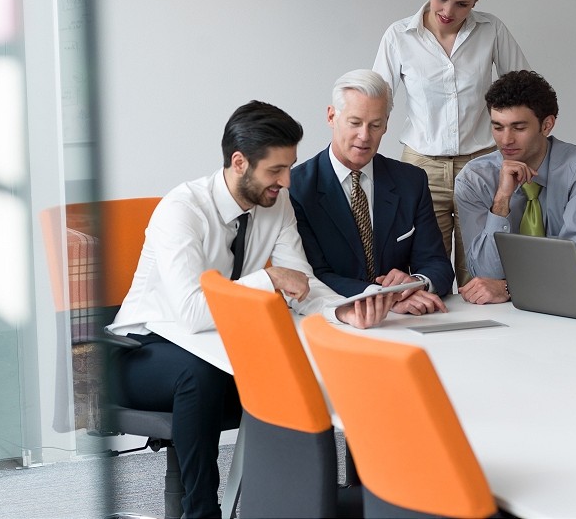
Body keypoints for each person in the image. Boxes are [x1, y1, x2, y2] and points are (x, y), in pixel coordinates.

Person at [107, 101, 397, 518]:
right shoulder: (182, 211)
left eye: (290, 167)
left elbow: (302, 283)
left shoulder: (275, 205)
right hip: (141, 349)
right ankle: (201, 510)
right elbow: (191, 312)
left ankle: (290, 505)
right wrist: (270, 279)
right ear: (239, 162)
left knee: (292, 367)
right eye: (275, 170)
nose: (286, 181)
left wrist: (342, 311)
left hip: (216, 348)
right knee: (198, 374)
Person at [373, 0, 530, 287]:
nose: (447, 11)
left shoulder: (491, 30)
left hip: (481, 164)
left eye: (462, 4)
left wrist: (523, 147)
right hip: (421, 168)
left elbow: (524, 90)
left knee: (482, 273)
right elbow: (377, 100)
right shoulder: (399, 36)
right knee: (427, 274)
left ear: (477, 0)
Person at [289, 70, 453, 315]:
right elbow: (314, 275)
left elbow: (437, 264)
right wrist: (384, 298)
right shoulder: (297, 188)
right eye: (355, 123)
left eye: (375, 125)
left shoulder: (411, 181)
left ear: (386, 125)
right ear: (332, 116)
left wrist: (416, 283)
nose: (364, 136)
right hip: (332, 319)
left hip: (404, 324)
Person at [454, 70, 576, 304]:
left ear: (547, 125)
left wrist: (509, 287)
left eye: (518, 128)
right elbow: (485, 272)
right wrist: (502, 199)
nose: (506, 140)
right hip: (508, 313)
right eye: (498, 127)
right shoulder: (474, 179)